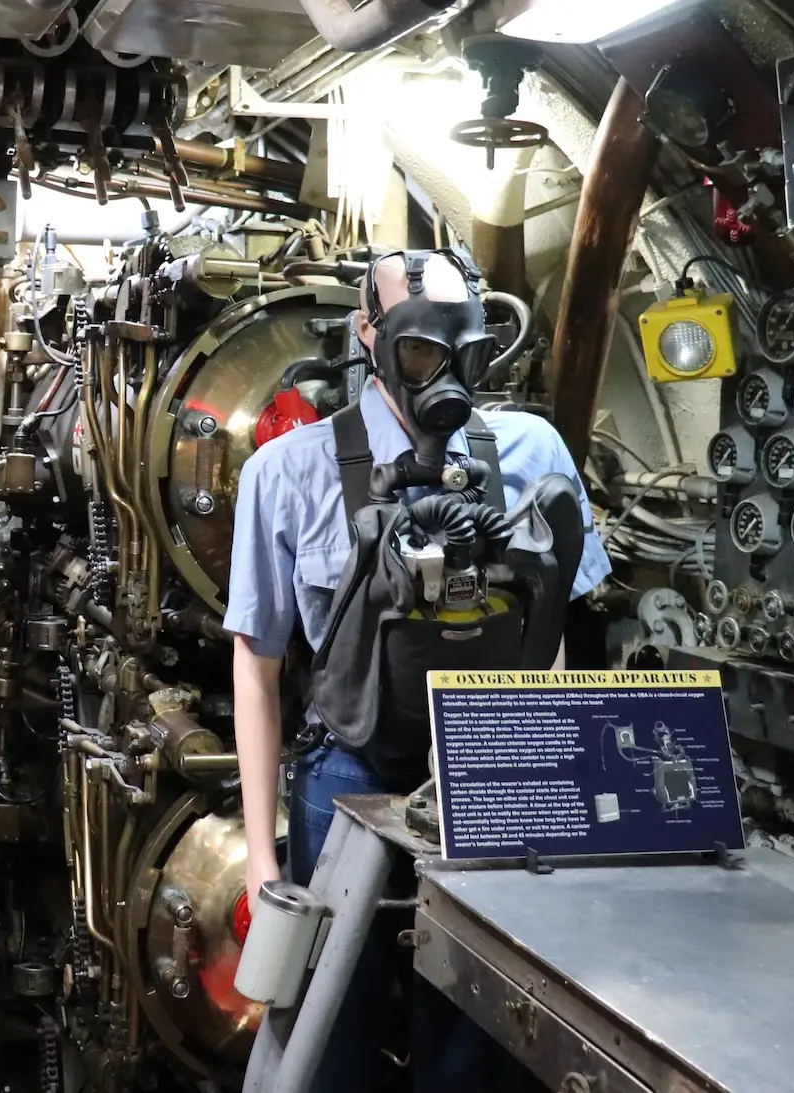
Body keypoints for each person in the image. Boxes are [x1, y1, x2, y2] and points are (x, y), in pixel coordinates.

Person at [226, 249, 611, 1092]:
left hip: (486, 768)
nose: (443, 371)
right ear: (368, 332)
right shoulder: (287, 472)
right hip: (349, 769)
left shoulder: (533, 452)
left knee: (478, 1027)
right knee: (329, 1023)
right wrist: (261, 858)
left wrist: (534, 776)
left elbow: (551, 631)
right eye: (421, 347)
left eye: (461, 349)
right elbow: (256, 667)